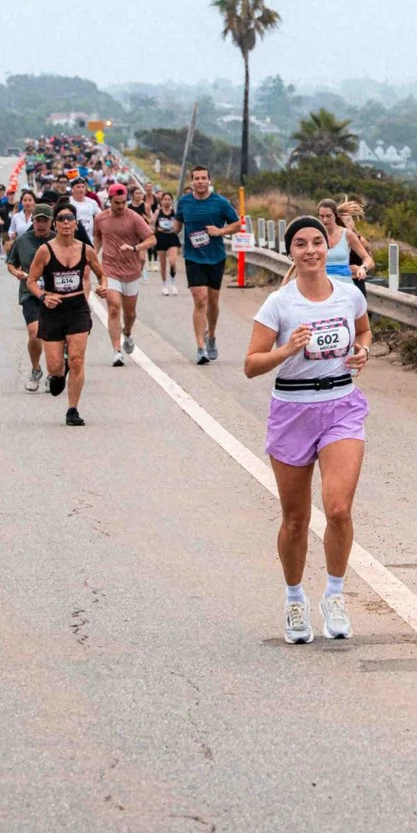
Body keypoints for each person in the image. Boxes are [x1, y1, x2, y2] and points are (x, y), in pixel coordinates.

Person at [244, 215, 374, 644]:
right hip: (293, 410)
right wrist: (287, 349)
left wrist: (362, 352)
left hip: (341, 404)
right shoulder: (279, 304)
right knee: (296, 518)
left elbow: (365, 332)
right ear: (291, 253)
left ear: (328, 247)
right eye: (301, 244)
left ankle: (334, 594)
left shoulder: (349, 294)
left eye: (317, 242)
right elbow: (251, 365)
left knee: (338, 508)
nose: (311, 250)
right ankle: (295, 600)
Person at [26, 205, 101, 425]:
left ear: (76, 224)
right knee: (55, 368)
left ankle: (72, 410)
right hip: (52, 311)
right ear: (55, 224)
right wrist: (43, 297)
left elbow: (101, 275)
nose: (66, 223)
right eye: (61, 219)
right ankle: (58, 374)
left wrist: (103, 287)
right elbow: (31, 281)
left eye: (70, 219)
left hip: (77, 309)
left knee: (78, 360)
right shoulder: (45, 251)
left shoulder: (86, 250)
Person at [174, 165, 245, 365]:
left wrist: (220, 232)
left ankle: (211, 336)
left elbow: (237, 225)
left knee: (213, 302)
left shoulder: (220, 203)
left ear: (209, 180)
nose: (200, 182)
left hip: (215, 257)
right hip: (193, 257)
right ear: (192, 182)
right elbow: (177, 224)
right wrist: (170, 229)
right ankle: (200, 347)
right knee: (200, 300)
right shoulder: (184, 203)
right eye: (196, 178)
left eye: (203, 178)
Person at [92, 183, 152, 366]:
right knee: (114, 308)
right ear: (109, 201)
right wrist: (92, 257)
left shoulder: (134, 218)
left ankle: (127, 333)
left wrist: (135, 248)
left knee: (130, 313)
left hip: (132, 272)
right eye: (116, 203)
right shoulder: (100, 219)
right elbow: (98, 238)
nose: (120, 206)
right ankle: (117, 351)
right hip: (110, 269)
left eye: (123, 202)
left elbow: (151, 238)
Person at [4, 203, 54, 391]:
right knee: (35, 333)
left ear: (51, 222)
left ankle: (53, 373)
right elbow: (11, 263)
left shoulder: (58, 241)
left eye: (45, 221)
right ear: (32, 221)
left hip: (54, 294)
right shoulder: (23, 241)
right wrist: (15, 272)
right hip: (30, 293)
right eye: (37, 220)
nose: (41, 224)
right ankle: (35, 370)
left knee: (52, 337)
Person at [152, 190, 184, 294]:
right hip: (161, 238)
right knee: (163, 264)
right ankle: (164, 285)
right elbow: (152, 225)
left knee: (172, 262)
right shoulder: (158, 212)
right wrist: (156, 229)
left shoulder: (175, 212)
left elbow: (179, 225)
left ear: (172, 201)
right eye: (165, 199)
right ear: (161, 201)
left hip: (172, 237)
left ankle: (173, 283)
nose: (167, 201)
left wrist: (175, 228)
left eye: (169, 199)